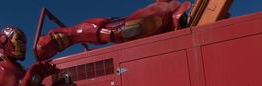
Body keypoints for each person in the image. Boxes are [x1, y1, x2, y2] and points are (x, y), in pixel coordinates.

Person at [36, 0, 191, 60]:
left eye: (55, 39)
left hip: (161, 15)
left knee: (131, 28)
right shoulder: (80, 32)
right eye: (57, 46)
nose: (60, 43)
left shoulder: (81, 30)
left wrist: (115, 33)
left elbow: (120, 32)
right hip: (162, 19)